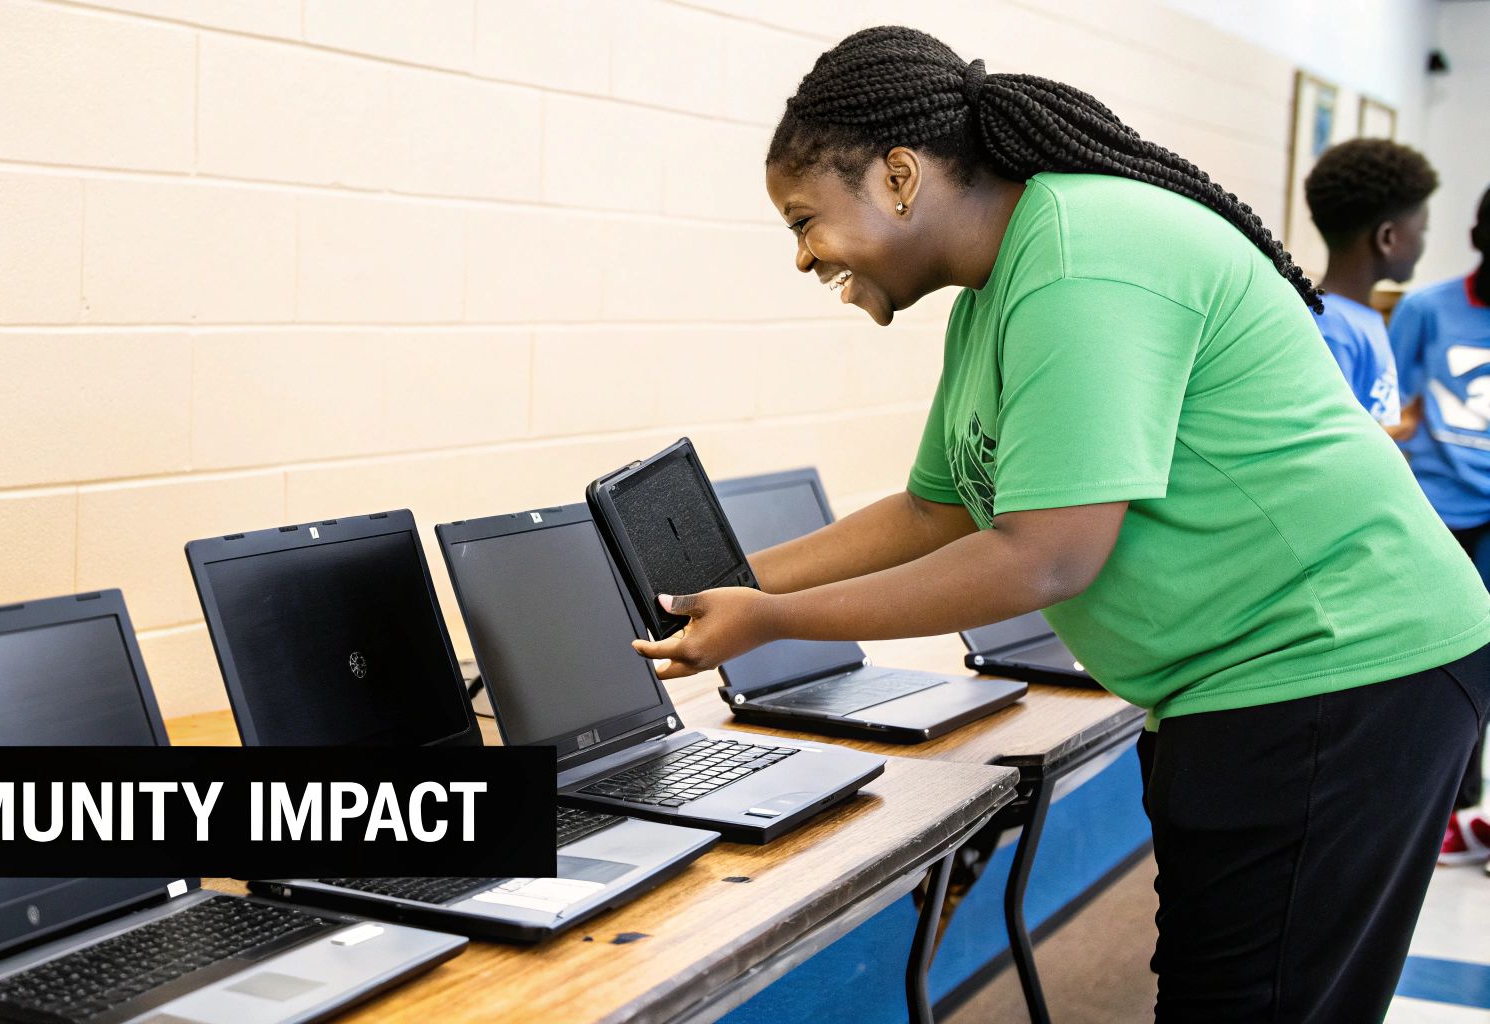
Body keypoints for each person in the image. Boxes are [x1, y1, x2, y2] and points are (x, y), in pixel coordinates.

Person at [629, 26, 1490, 1022]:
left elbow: (1043, 560)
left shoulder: (1082, 255)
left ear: (899, 177)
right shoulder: (995, 292)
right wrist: (732, 586)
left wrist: (771, 622)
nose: (800, 256)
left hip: (1339, 669)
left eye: (805, 220)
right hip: (1243, 685)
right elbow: (932, 510)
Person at [1390, 185, 1490, 869]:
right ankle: (1444, 811)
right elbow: (1385, 408)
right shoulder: (1428, 309)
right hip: (1434, 507)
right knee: (1437, 668)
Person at [1303, 138, 1437, 431]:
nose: (1422, 244)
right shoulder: (1331, 330)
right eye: (1422, 231)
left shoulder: (1357, 319)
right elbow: (1330, 440)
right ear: (1388, 238)